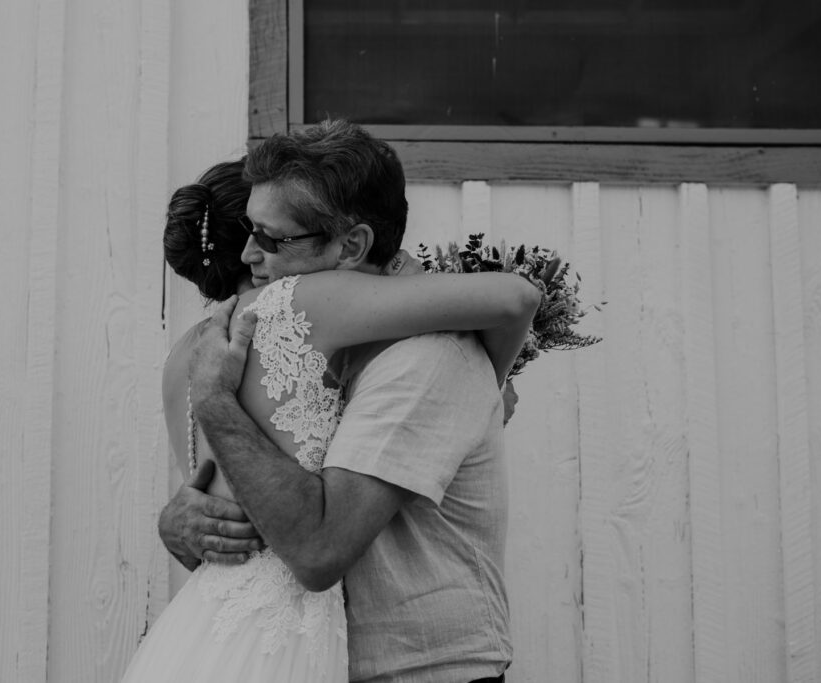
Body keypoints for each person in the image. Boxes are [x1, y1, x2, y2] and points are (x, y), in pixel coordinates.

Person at [142, 120, 540, 683]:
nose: (258, 257)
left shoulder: (427, 350)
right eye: (250, 233)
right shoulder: (282, 338)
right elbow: (241, 509)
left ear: (352, 246)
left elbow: (313, 546)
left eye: (274, 238)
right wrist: (182, 516)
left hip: (416, 668)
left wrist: (213, 405)